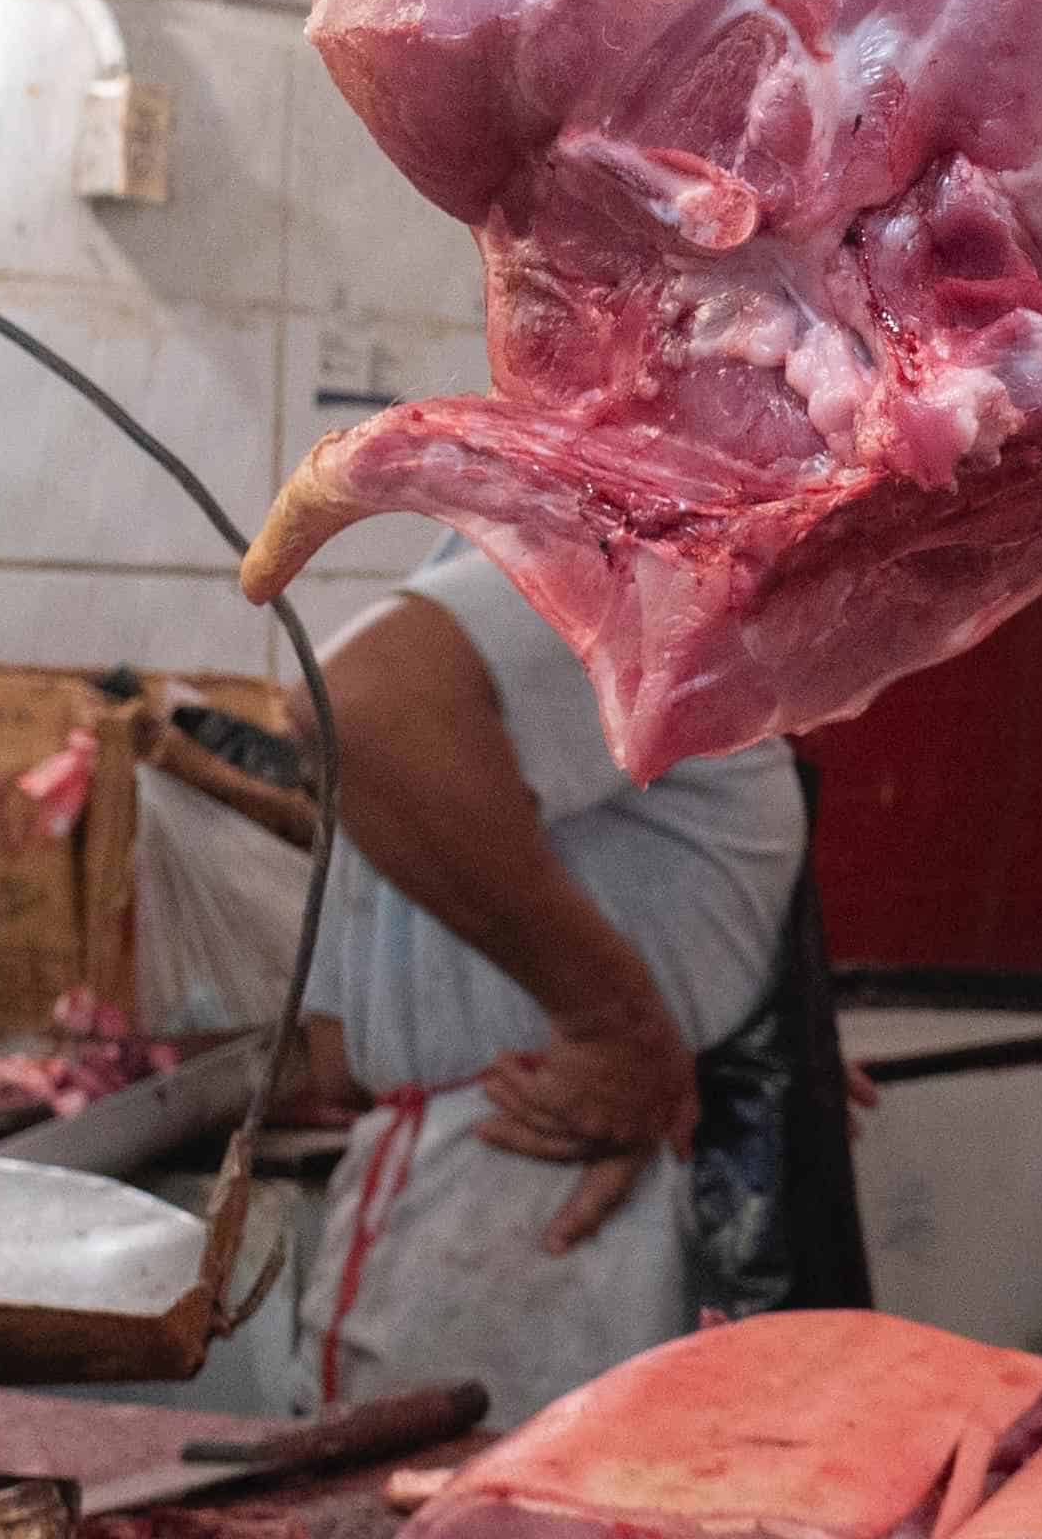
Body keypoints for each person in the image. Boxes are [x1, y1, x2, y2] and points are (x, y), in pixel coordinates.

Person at [286, 536, 807, 1428]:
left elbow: (333, 1055)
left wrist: (765, 1047)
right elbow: (362, 708)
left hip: (478, 1219)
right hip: (544, 1229)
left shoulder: (461, 629)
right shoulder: (635, 574)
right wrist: (623, 1029)